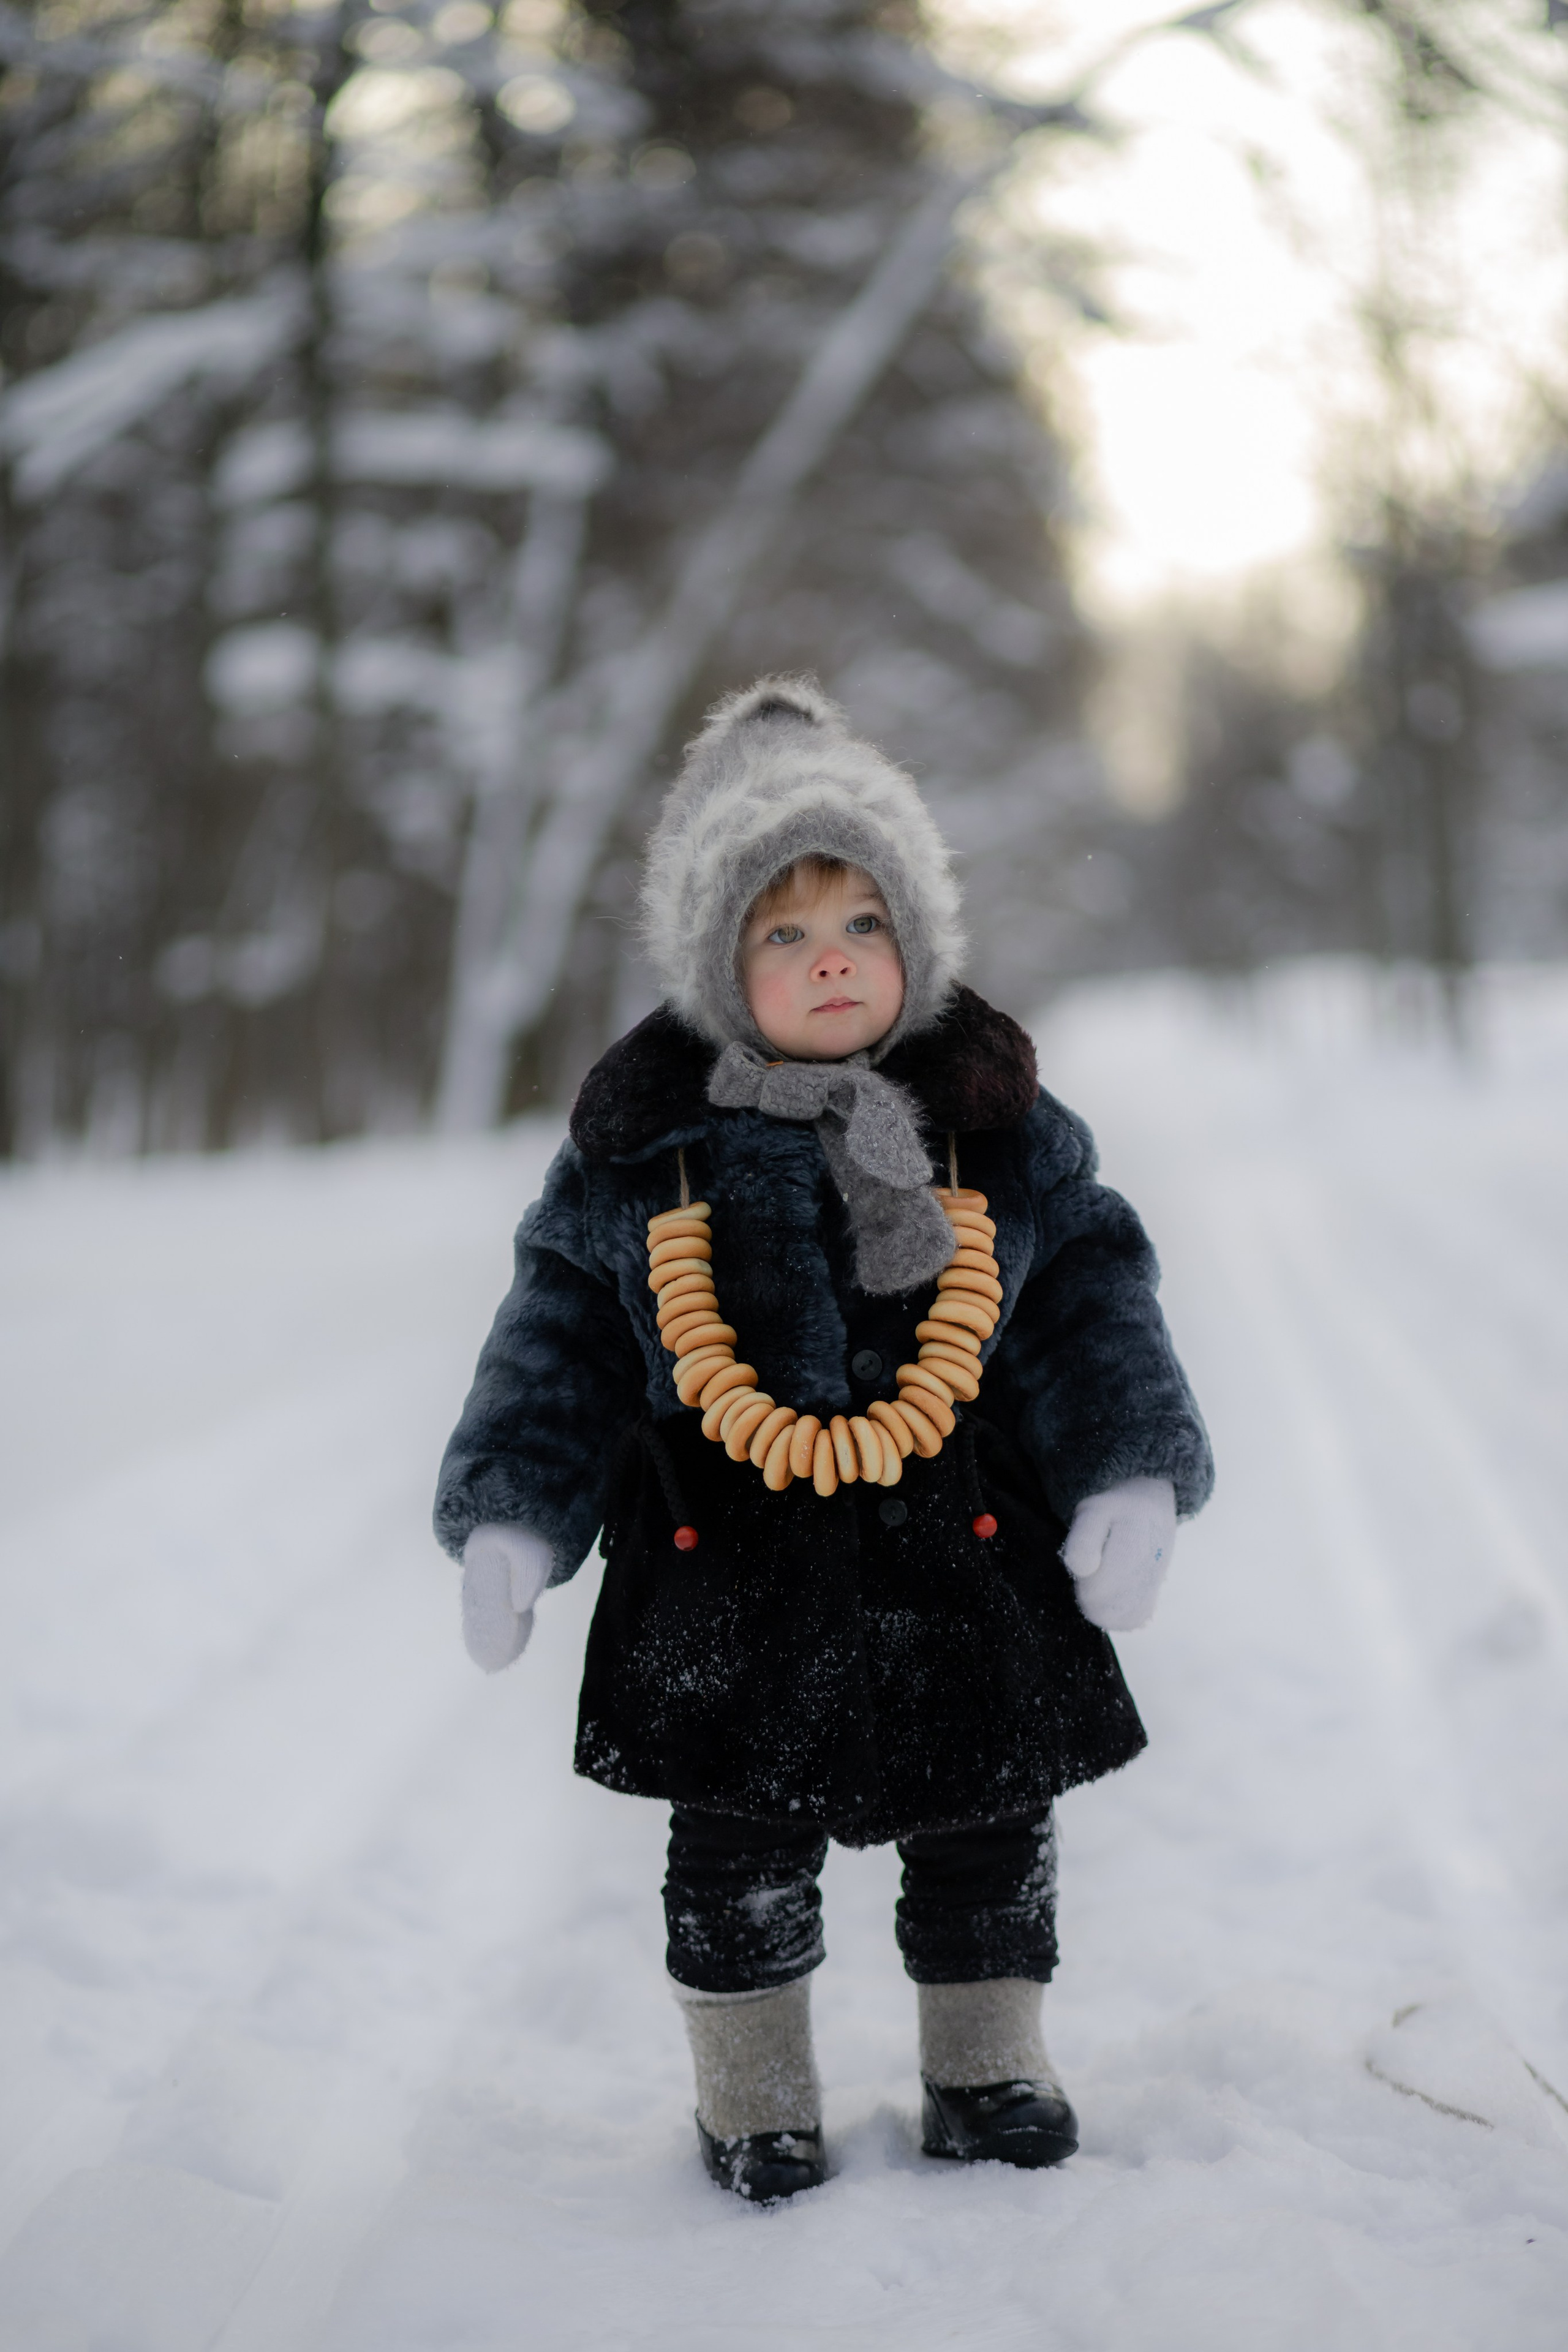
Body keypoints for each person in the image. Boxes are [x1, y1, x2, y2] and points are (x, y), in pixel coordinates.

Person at [435, 677, 1213, 2204]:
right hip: (719, 1557)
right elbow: (564, 1338)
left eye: (860, 923)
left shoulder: (989, 1116)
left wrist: (1127, 1462)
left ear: (915, 933)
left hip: (960, 1542)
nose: (829, 960)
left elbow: (1085, 1291)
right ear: (715, 963)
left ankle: (987, 2065)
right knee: (733, 1847)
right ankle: (755, 2094)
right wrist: (516, 1514)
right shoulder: (641, 1143)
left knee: (988, 1817)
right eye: (780, 934)